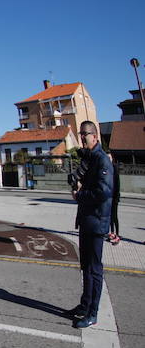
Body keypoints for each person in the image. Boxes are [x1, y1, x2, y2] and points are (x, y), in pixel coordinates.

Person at [70, 121, 114, 328]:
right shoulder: (90, 158)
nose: (82, 138)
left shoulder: (101, 159)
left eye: (85, 134)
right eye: (80, 134)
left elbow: (104, 192)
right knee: (85, 267)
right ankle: (85, 305)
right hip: (88, 221)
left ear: (95, 136)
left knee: (94, 270)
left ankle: (92, 313)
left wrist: (80, 195)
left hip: (96, 223)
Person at [107, 152, 121, 245]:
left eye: (109, 157)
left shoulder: (114, 168)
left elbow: (117, 184)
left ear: (112, 158)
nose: (108, 159)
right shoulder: (107, 168)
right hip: (108, 196)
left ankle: (117, 235)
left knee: (114, 216)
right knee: (110, 216)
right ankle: (111, 233)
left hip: (114, 197)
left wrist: (116, 196)